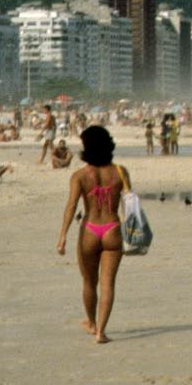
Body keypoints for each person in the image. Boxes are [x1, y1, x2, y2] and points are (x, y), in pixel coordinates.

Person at [55, 126, 128, 344]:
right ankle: (101, 332)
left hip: (89, 229)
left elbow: (71, 206)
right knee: (108, 284)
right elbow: (130, 204)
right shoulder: (120, 172)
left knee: (89, 281)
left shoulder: (79, 176)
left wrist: (63, 236)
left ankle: (91, 322)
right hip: (113, 228)